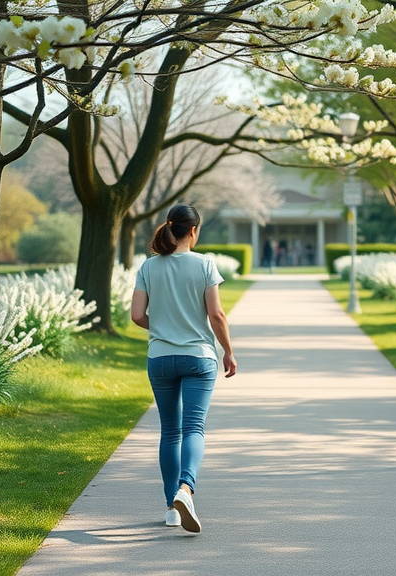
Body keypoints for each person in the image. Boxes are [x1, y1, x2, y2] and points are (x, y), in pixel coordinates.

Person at [131, 204, 237, 534]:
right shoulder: (205, 264)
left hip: (160, 358)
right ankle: (186, 490)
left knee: (169, 431)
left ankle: (170, 509)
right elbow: (217, 316)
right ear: (193, 231)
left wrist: (163, 329)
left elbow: (136, 315)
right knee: (194, 428)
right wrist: (228, 352)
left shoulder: (149, 267)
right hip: (198, 358)